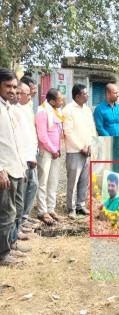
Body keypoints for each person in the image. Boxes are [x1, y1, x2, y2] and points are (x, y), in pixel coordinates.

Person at [0, 68, 27, 266]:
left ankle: (11, 244)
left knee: (16, 210)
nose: (12, 90)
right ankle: (3, 254)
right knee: (6, 213)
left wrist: (22, 166)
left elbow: (16, 143)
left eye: (14, 87)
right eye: (8, 86)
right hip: (5, 170)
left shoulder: (8, 108)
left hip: (16, 168)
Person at [9, 82, 38, 243]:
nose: (17, 95)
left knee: (18, 202)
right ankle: (11, 240)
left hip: (24, 159)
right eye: (15, 91)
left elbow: (25, 137)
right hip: (15, 163)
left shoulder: (23, 109)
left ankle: (17, 230)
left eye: (20, 92)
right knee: (12, 206)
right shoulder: (10, 110)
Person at [63, 84, 97, 219]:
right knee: (73, 180)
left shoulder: (87, 110)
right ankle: (71, 208)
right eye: (85, 94)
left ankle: (80, 205)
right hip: (75, 151)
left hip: (88, 150)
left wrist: (91, 145)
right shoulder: (68, 110)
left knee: (84, 180)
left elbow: (91, 128)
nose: (88, 95)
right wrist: (80, 147)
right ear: (77, 96)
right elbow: (68, 132)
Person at [35, 88, 64, 225]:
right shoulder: (42, 112)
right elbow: (42, 136)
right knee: (43, 182)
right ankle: (42, 211)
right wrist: (53, 150)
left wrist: (57, 150)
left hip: (55, 152)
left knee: (53, 182)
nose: (62, 101)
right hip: (46, 152)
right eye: (59, 99)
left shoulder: (57, 111)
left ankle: (51, 208)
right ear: (52, 101)